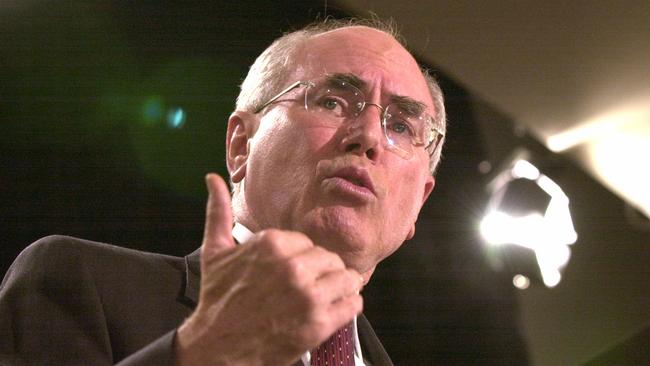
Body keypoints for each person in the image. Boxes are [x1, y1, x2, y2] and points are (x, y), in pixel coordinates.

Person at [0, 18, 446, 366]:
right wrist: (203, 355)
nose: (367, 135)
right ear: (240, 144)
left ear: (419, 203)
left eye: (402, 126)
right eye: (332, 101)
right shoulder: (79, 282)